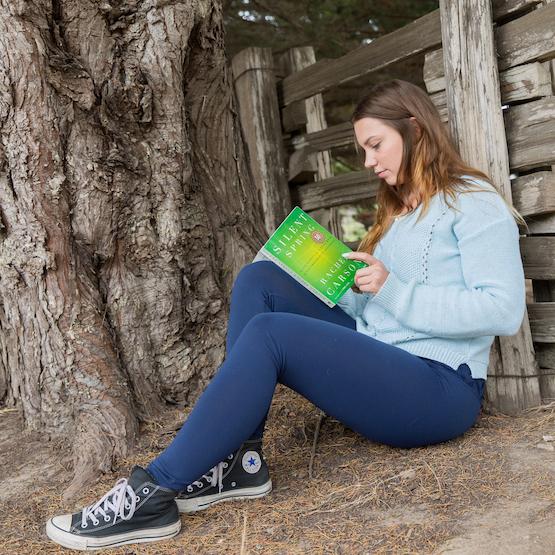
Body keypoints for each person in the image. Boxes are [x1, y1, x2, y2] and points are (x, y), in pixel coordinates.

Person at [45, 79, 526, 551]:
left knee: (272, 334)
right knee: (259, 281)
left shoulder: (473, 203)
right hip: (386, 357)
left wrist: (393, 288)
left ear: (415, 129)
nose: (369, 162)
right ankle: (239, 462)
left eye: (375, 145)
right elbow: (378, 310)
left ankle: (153, 490)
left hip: (440, 389)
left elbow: (502, 310)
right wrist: (322, 276)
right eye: (364, 150)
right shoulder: (398, 215)